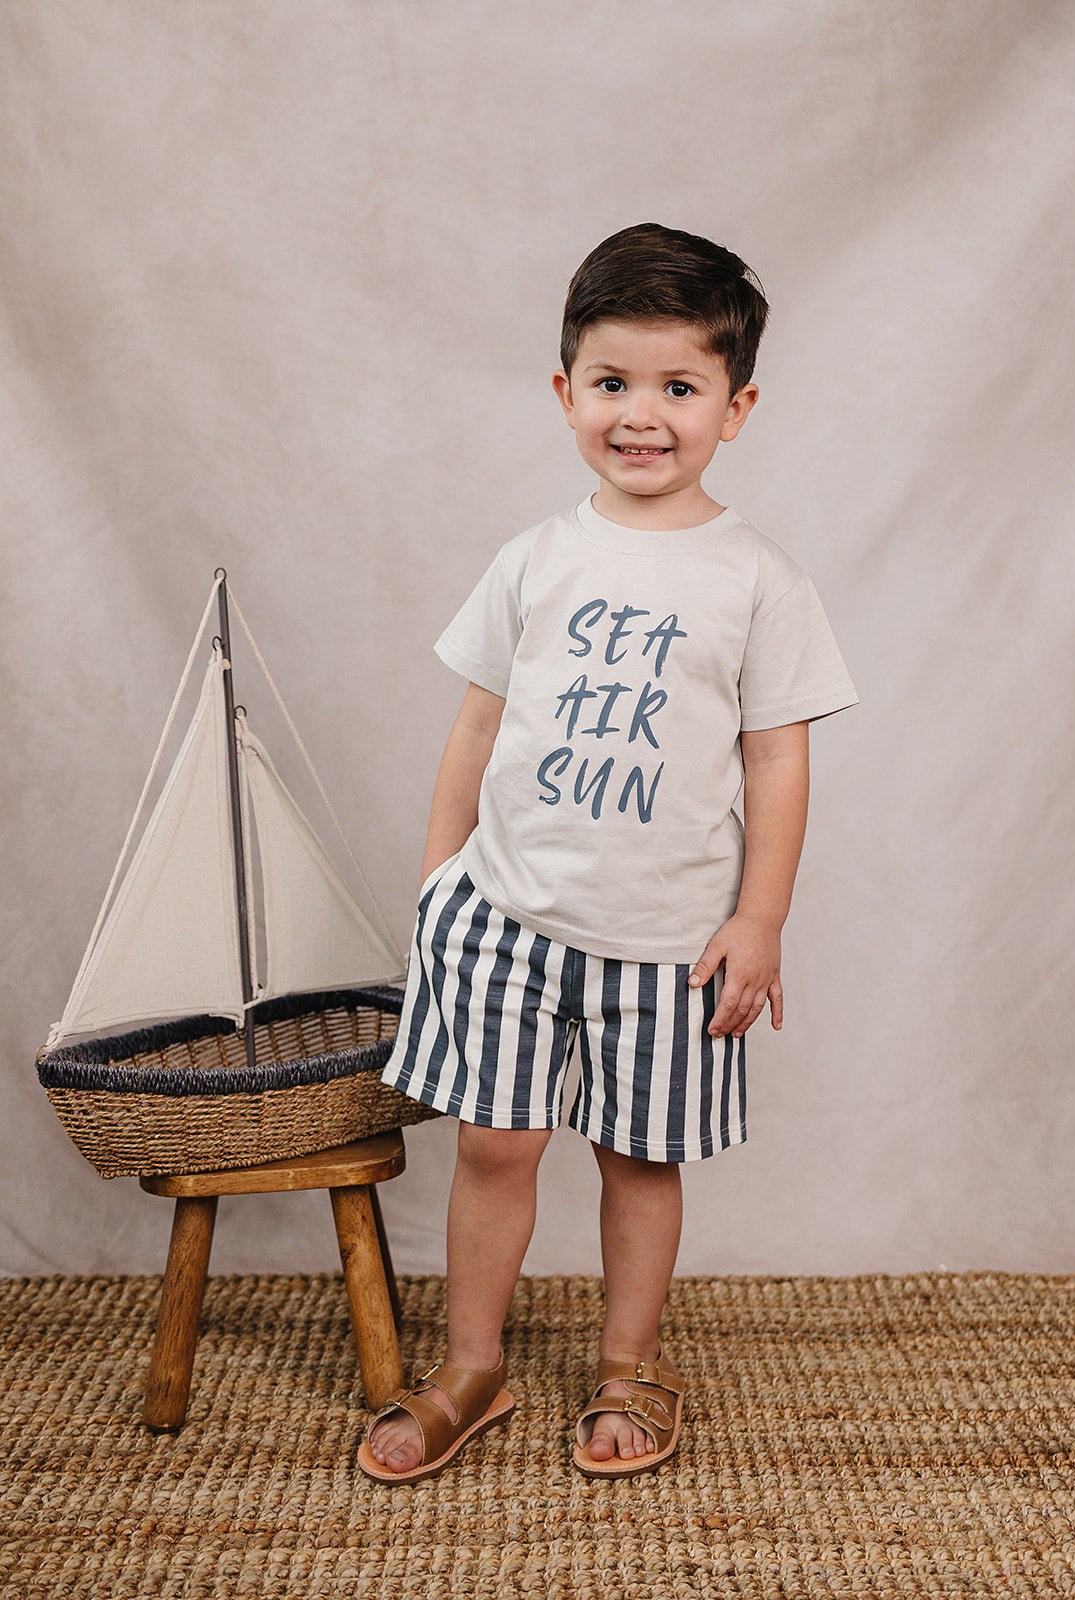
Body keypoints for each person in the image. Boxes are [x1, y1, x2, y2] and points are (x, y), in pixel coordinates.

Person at [358, 222, 857, 1484]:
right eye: (612, 383)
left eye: (679, 387)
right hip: (507, 919)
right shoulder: (534, 557)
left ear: (735, 408)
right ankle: (471, 1364)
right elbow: (477, 725)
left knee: (639, 1157)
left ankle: (629, 1362)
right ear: (565, 390)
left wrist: (760, 919)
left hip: (667, 940)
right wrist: (438, 878)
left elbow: (777, 762)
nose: (641, 415)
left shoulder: (758, 580)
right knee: (493, 1144)